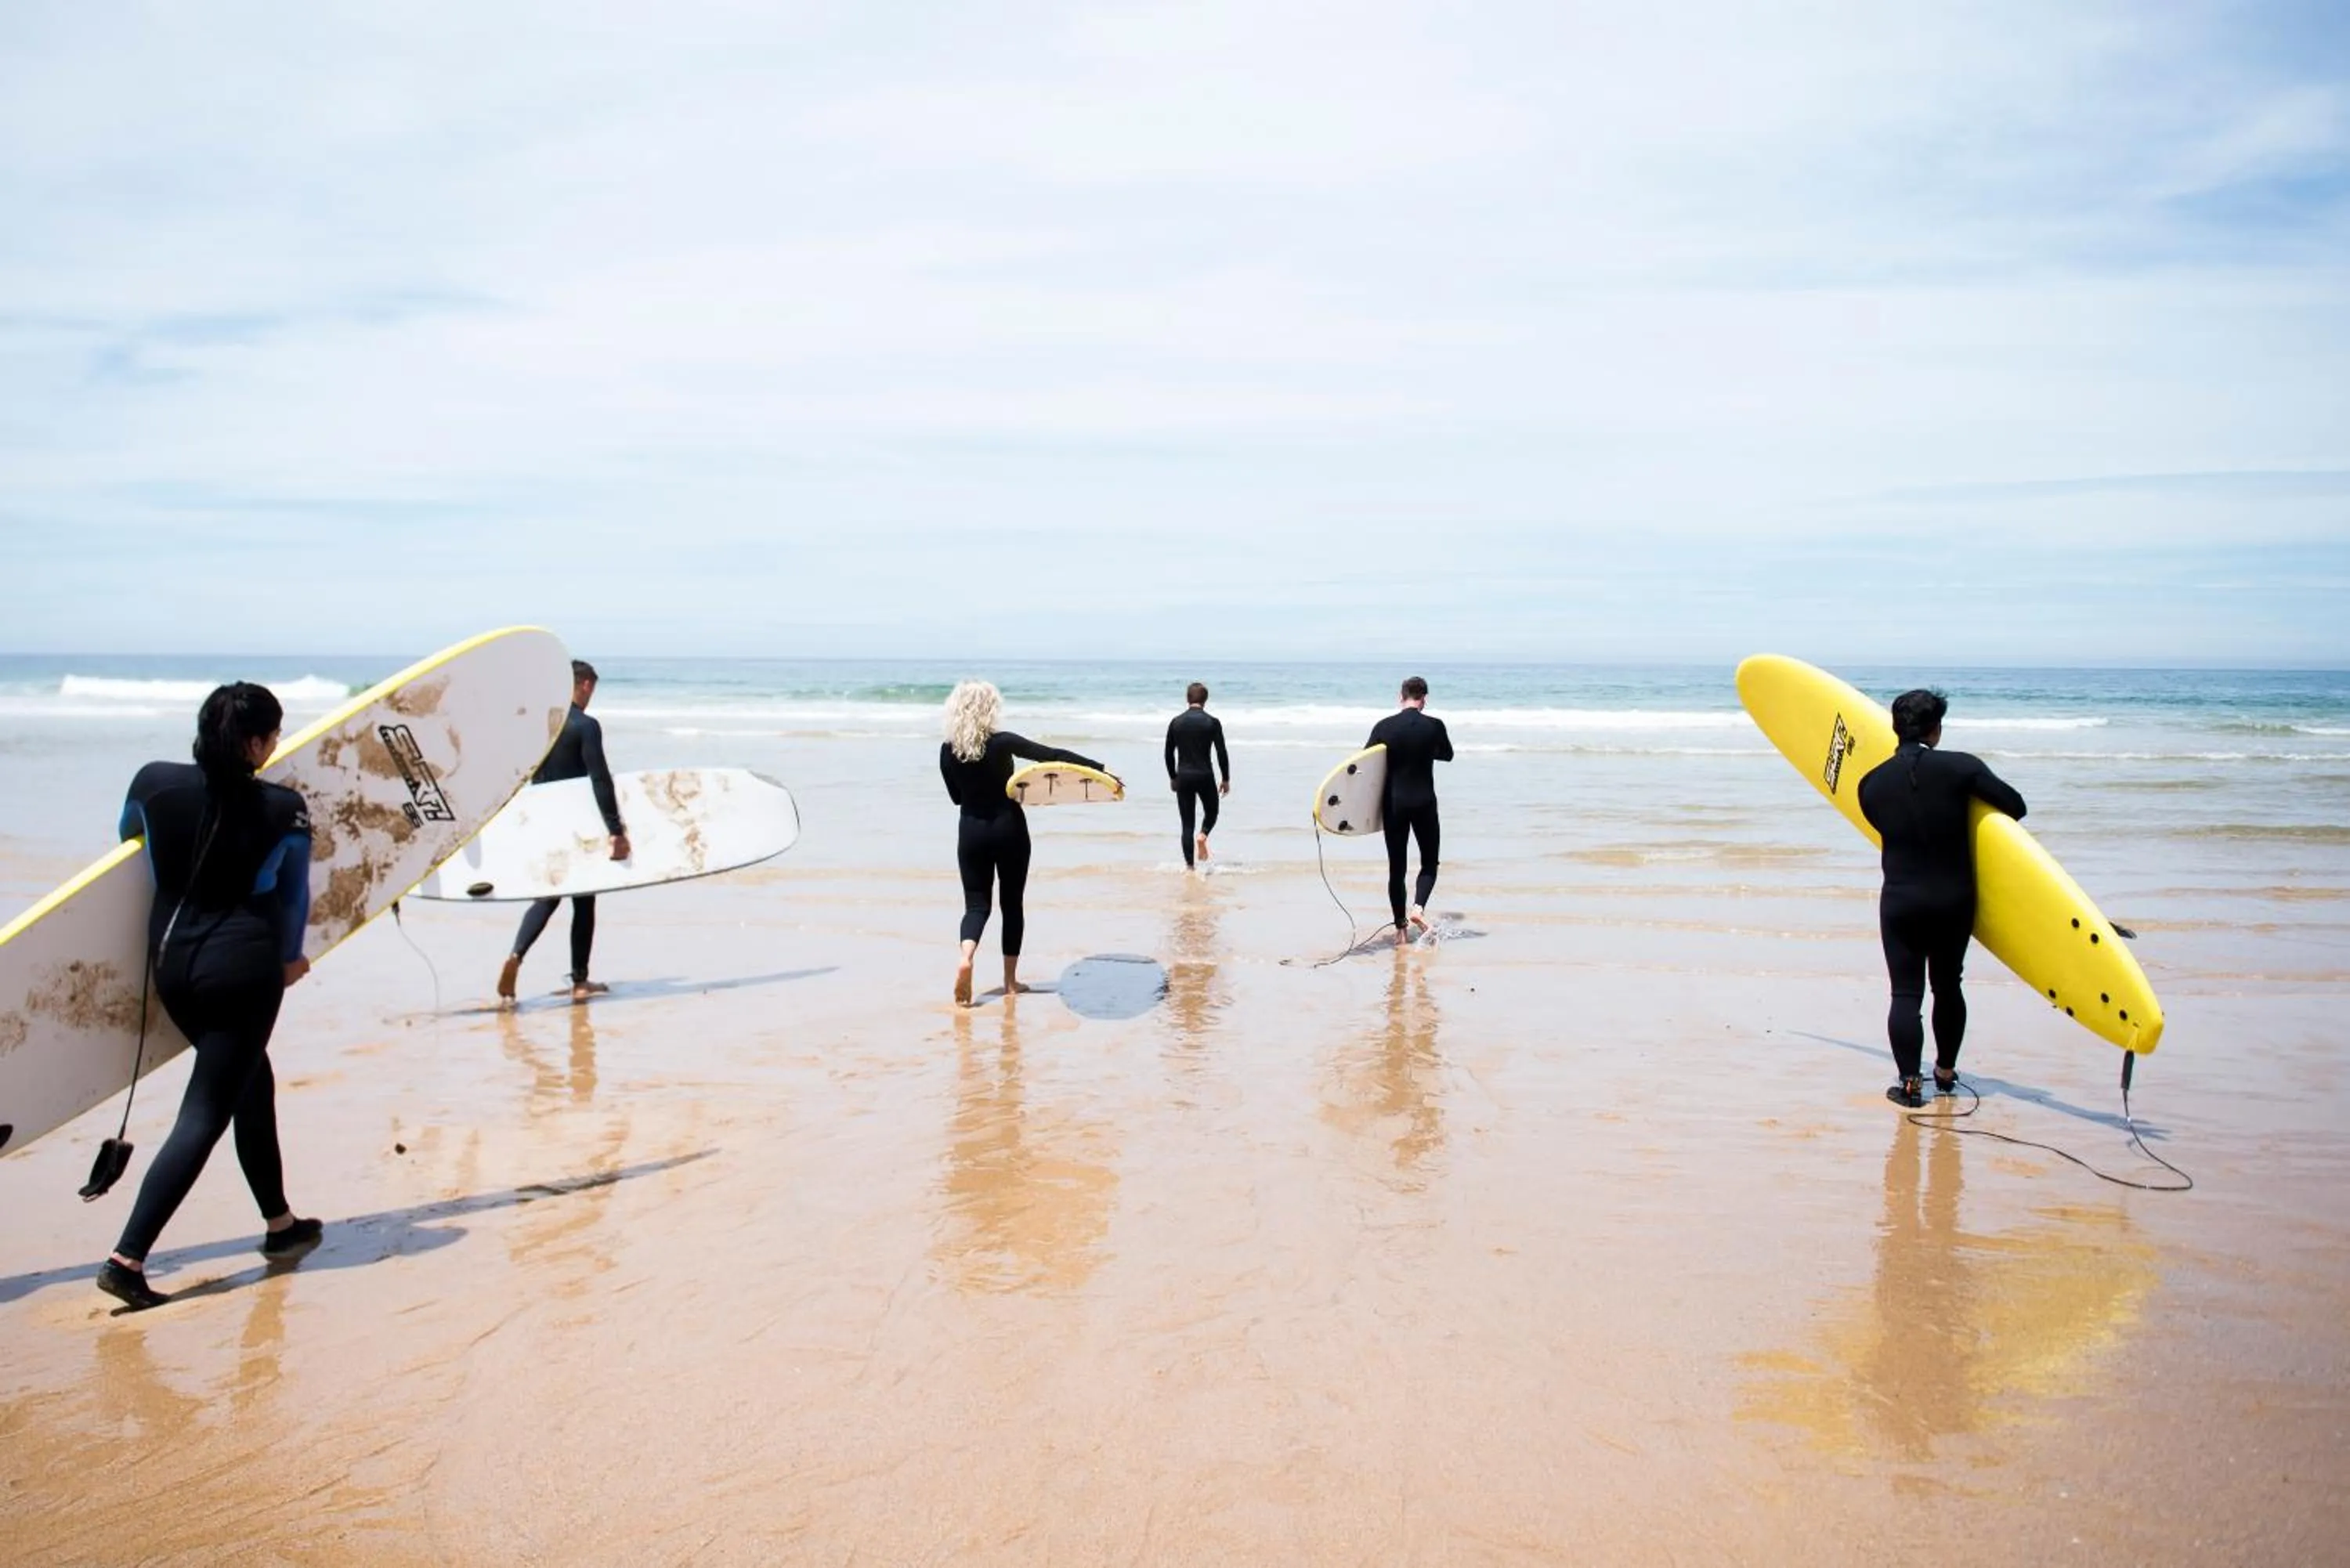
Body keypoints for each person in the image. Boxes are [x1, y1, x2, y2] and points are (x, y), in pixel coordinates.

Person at [96, 683, 321, 1311]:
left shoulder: (153, 783)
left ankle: (280, 1225)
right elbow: (291, 896)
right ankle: (126, 1259)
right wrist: (289, 959)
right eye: (273, 737)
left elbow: (125, 839)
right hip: (242, 970)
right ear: (255, 742)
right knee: (205, 1112)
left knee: (252, 1080)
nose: (276, 747)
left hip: (171, 965)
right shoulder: (284, 808)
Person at [1857, 688, 2028, 1108]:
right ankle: (1946, 1074)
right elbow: (2016, 807)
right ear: (1936, 729)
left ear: (1896, 728)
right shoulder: (1962, 768)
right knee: (1948, 986)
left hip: (1901, 901)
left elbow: (1880, 824)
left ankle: (1911, 1086)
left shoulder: (1870, 785)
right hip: (1954, 900)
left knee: (1905, 994)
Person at [939, 680, 1113, 1007]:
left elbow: (955, 798)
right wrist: (1100, 772)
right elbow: (1053, 757)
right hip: (1009, 828)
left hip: (971, 831)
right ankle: (1009, 983)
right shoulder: (1003, 743)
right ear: (990, 709)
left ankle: (966, 957)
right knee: (1012, 905)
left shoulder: (947, 751)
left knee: (976, 906)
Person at [498, 659, 630, 1007]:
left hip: (543, 820)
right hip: (576, 821)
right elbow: (600, 778)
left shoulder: (538, 726)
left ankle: (516, 955)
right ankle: (580, 980)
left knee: (547, 896)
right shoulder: (584, 726)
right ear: (584, 684)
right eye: (592, 690)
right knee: (584, 900)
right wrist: (615, 829)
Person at [1366, 676, 1454, 948]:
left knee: (1397, 868)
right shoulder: (1435, 726)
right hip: (1425, 802)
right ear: (1424, 699)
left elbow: (1365, 764)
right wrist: (1425, 751)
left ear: (1400, 696)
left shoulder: (1384, 727)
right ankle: (1418, 909)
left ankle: (1401, 932)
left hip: (1394, 804)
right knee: (1429, 862)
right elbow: (1447, 754)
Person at [1163, 681, 1231, 870]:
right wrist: (1225, 778)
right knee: (1212, 811)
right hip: (1204, 775)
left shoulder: (1176, 722)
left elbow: (1168, 753)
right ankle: (1203, 836)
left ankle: (1190, 868)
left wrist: (1173, 776)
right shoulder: (1212, 722)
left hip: (1184, 777)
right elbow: (1221, 753)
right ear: (1205, 700)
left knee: (1187, 824)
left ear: (1187, 699)